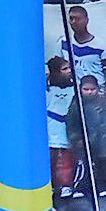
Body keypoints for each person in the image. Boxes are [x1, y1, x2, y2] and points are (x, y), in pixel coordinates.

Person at [66, 71, 106, 194]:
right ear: (80, 89)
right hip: (82, 141)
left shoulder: (103, 104)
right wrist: (76, 139)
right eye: (86, 89)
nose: (89, 92)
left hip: (101, 140)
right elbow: (71, 124)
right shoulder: (76, 105)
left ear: (97, 89)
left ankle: (102, 186)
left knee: (102, 163)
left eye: (92, 89)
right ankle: (80, 187)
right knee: (83, 165)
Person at [46, 56, 77, 198]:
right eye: (65, 69)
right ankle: (51, 184)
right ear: (55, 72)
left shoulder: (74, 87)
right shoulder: (45, 89)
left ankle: (66, 185)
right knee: (51, 158)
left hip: (67, 127)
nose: (69, 71)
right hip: (50, 128)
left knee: (67, 158)